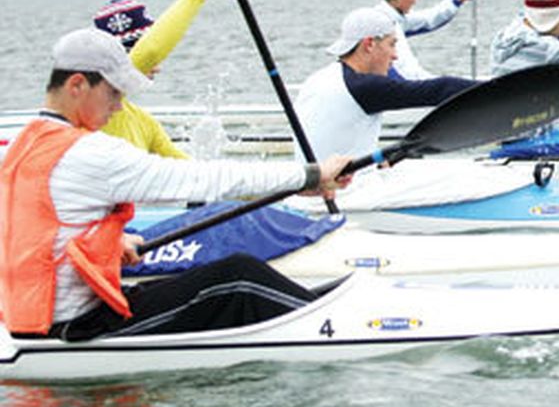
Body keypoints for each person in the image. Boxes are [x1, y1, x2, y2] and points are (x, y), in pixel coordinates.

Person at [0, 28, 354, 342]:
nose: (119, 107)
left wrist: (112, 244)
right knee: (239, 276)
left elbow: (35, 229)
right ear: (77, 85)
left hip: (31, 320)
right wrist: (310, 175)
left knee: (227, 278)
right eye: (114, 93)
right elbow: (202, 179)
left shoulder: (23, 145)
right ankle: (344, 327)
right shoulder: (87, 152)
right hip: (77, 326)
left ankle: (325, 311)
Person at [93, 0, 250, 159]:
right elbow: (150, 51)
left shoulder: (144, 123)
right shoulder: (93, 108)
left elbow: (191, 172)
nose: (157, 66)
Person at [295, 8, 478, 161]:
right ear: (369, 44)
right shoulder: (364, 88)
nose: (395, 55)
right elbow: (440, 89)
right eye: (391, 44)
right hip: (348, 188)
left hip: (316, 181)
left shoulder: (317, 79)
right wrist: (493, 89)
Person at [373, 0, 483, 80]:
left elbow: (429, 18)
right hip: (405, 86)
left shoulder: (396, 18)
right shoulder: (383, 26)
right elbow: (405, 74)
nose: (414, 1)